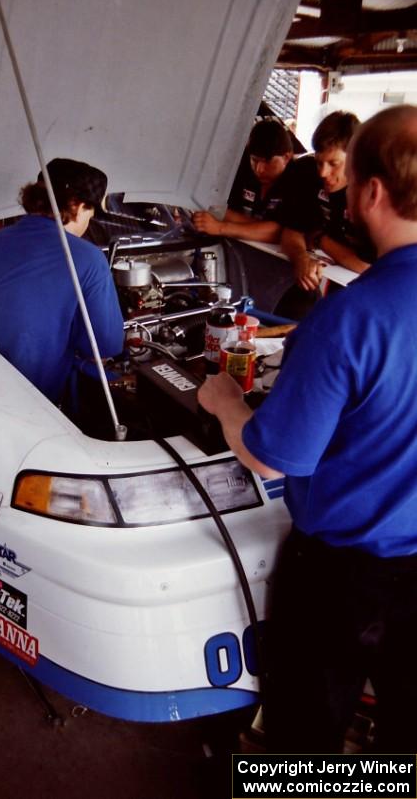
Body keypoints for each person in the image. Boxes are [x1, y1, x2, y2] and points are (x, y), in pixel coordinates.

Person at [197, 104, 417, 753]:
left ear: (371, 191)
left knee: (304, 738)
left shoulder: (349, 318)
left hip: (340, 578)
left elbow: (272, 460)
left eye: (348, 181)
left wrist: (221, 401)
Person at [0, 158, 124, 404]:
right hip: (31, 403)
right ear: (76, 206)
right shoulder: (86, 257)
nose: (89, 222)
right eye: (90, 213)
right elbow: (105, 346)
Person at [279, 110, 373, 294]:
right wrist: (301, 258)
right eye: (319, 162)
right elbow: (291, 231)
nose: (323, 172)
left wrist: (320, 240)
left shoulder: (374, 194)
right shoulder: (306, 173)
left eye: (334, 163)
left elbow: (367, 267)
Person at [192, 120, 295, 243]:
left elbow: (280, 233)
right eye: (255, 160)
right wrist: (261, 227)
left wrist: (220, 227)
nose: (259, 169)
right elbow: (222, 212)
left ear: (286, 157)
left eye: (267, 162)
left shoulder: (296, 179)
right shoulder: (242, 167)